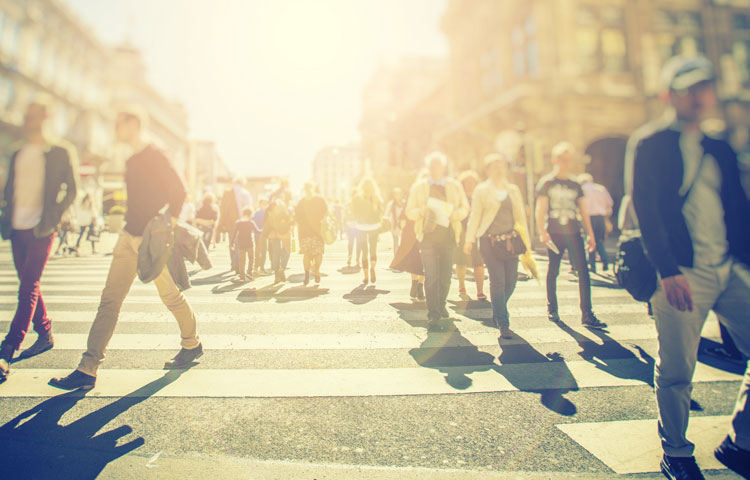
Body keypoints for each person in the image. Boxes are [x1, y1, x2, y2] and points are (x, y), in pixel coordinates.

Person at [632, 55, 750, 480]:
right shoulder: (652, 144)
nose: (700, 97)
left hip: (728, 267)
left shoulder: (719, 146)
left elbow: (739, 209)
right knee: (678, 370)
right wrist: (667, 270)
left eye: (705, 88)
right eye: (689, 90)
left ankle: (740, 442)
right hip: (681, 271)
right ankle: (677, 452)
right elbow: (648, 211)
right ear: (670, 96)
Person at [49, 108, 203, 391]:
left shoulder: (156, 155)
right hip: (127, 237)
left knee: (170, 296)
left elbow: (179, 191)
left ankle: (191, 344)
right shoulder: (131, 160)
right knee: (110, 300)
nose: (115, 130)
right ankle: (88, 367)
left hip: (152, 239)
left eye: (119, 125)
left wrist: (166, 225)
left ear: (133, 125)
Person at [0, 100, 78, 381]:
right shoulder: (18, 151)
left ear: (47, 117)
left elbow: (72, 190)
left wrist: (53, 216)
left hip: (41, 228)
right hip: (16, 226)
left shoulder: (59, 151)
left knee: (29, 285)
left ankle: (8, 349)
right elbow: (10, 188)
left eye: (35, 115)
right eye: (28, 115)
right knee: (28, 284)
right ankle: (44, 332)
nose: (30, 120)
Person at [535, 142, 606, 330]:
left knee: (584, 271)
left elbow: (583, 211)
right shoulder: (547, 182)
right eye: (562, 159)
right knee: (553, 270)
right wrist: (542, 231)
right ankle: (552, 308)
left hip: (574, 232)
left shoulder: (575, 184)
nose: (566, 163)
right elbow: (540, 209)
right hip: (554, 232)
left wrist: (591, 234)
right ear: (554, 160)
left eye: (569, 160)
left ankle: (587, 313)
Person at [464, 154, 531, 339]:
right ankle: (503, 322)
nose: (499, 169)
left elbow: (521, 217)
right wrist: (469, 240)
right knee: (498, 280)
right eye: (494, 166)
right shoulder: (482, 190)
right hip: (489, 241)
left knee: (511, 281)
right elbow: (475, 216)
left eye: (501, 166)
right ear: (488, 170)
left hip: (511, 241)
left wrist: (528, 243)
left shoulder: (513, 189)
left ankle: (498, 308)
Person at [405, 151, 469, 328]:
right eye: (432, 165)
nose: (435, 168)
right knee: (431, 275)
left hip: (448, 235)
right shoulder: (419, 187)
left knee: (446, 276)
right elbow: (409, 211)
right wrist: (421, 212)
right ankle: (433, 312)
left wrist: (457, 214)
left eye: (438, 165)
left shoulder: (454, 186)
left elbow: (465, 207)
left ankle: (441, 304)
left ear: (443, 167)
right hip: (427, 237)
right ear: (428, 167)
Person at [392, 169, 429, 301]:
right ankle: (415, 284)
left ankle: (420, 285)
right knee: (415, 258)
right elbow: (405, 208)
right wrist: (402, 222)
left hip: (427, 230)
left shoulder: (435, 192)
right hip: (412, 230)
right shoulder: (413, 191)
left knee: (424, 259)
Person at [455, 170, 486, 300]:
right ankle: (461, 285)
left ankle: (480, 290)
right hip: (461, 232)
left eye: (472, 182)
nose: (469, 184)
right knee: (461, 261)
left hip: (477, 234)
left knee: (479, 262)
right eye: (466, 182)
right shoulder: (458, 197)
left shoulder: (480, 196)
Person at [579, 173, 614, 273]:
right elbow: (610, 203)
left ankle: (592, 264)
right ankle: (604, 259)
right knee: (598, 240)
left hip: (588, 217)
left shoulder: (582, 189)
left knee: (590, 240)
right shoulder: (601, 189)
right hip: (600, 217)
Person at [295, 182, 328, 285]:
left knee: (307, 254)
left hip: (304, 232)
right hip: (317, 231)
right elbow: (326, 213)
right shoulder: (319, 200)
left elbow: (297, 219)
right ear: (313, 188)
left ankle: (306, 276)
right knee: (318, 253)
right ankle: (316, 270)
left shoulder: (301, 202)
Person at [352, 177, 384, 284]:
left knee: (364, 251)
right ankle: (372, 269)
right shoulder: (376, 198)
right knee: (373, 249)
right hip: (374, 226)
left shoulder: (357, 198)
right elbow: (380, 212)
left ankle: (365, 276)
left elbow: (353, 212)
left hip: (361, 227)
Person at [265, 194, 293, 284]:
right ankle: (282, 267)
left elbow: (265, 221)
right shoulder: (285, 206)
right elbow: (290, 219)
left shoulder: (270, 207)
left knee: (275, 253)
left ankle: (276, 275)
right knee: (287, 250)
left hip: (273, 233)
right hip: (284, 232)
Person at [231, 207, 260, 282]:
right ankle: (249, 272)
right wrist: (265, 231)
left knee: (242, 260)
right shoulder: (251, 222)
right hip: (250, 243)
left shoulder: (238, 222)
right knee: (251, 258)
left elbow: (234, 234)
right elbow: (257, 231)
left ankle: (242, 276)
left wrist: (232, 243)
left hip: (241, 244)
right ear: (250, 215)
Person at [384, 187, 406, 257]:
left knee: (403, 242)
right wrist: (388, 222)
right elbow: (386, 215)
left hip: (403, 225)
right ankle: (396, 258)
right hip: (394, 226)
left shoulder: (404, 203)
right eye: (396, 194)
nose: (398, 196)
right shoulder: (391, 204)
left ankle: (402, 258)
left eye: (399, 194)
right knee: (396, 242)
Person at [252, 198, 269, 275]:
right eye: (263, 204)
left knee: (258, 252)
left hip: (258, 235)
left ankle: (256, 268)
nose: (265, 205)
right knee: (262, 252)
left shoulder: (256, 213)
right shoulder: (264, 213)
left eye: (266, 204)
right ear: (260, 205)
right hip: (261, 235)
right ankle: (261, 268)